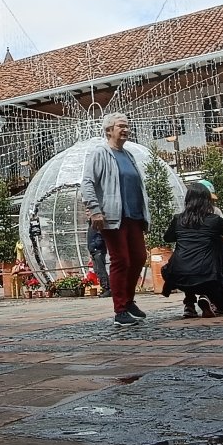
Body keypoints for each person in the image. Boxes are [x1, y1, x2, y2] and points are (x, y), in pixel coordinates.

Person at [80, 112, 150, 328]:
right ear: (109, 130)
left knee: (138, 257)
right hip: (112, 216)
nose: (126, 129)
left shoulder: (128, 155)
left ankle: (128, 301)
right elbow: (88, 182)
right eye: (121, 126)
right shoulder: (101, 153)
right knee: (121, 260)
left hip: (134, 215)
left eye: (127, 126)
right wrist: (95, 210)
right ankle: (120, 309)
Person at [161, 182, 223, 318]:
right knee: (213, 249)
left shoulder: (178, 220)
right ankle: (206, 297)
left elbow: (167, 238)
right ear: (207, 200)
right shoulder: (214, 220)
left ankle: (189, 304)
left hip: (178, 274)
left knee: (187, 259)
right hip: (208, 274)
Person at [86, 222, 110, 298]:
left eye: (88, 211)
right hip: (94, 251)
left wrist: (95, 245)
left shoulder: (96, 223)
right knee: (97, 270)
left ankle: (107, 288)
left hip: (98, 250)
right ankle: (104, 288)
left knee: (101, 269)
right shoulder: (91, 224)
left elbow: (100, 236)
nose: (87, 212)